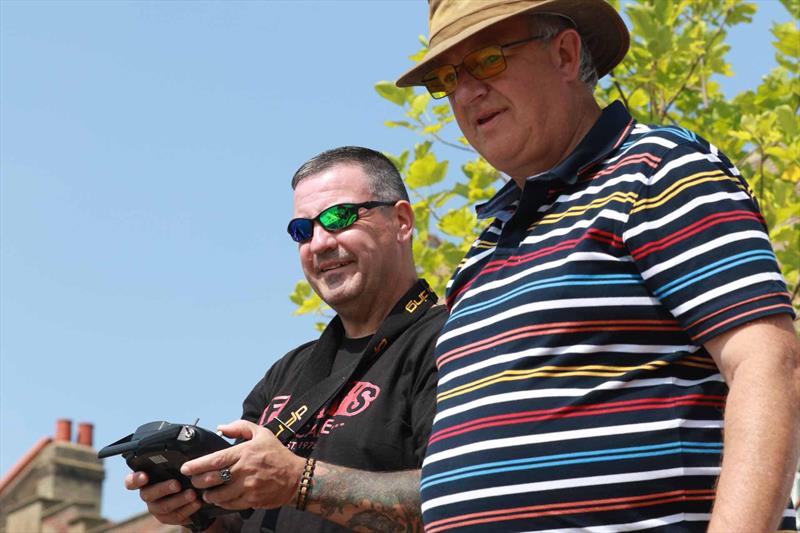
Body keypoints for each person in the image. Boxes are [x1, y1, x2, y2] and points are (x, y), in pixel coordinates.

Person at [395, 1, 800, 531]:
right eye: (447, 78)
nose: (465, 91)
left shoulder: (659, 170)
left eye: (488, 60)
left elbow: (769, 367)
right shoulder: (481, 252)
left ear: (565, 54)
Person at [125, 146, 447, 532]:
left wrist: (299, 481)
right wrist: (197, 509)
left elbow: (464, 496)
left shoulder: (451, 340)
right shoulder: (287, 371)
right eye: (303, 230)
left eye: (340, 217)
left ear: (401, 222)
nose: (320, 243)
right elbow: (241, 518)